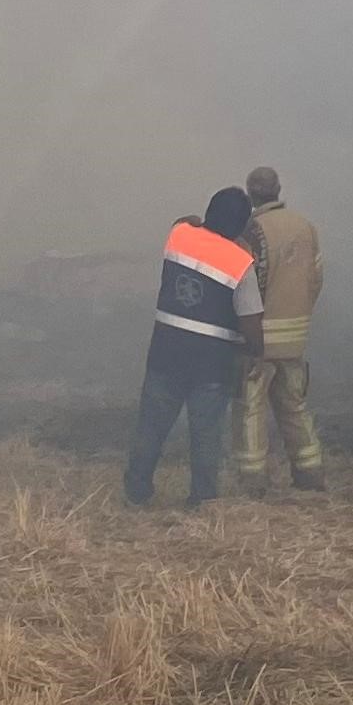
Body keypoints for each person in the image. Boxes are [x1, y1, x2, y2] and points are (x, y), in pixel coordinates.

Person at [123, 186, 263, 508]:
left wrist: (197, 222)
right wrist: (257, 352)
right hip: (211, 362)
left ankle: (136, 490)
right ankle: (202, 499)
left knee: (151, 425)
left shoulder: (180, 236)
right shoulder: (242, 264)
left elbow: (183, 220)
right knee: (206, 434)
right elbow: (251, 320)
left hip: (166, 351)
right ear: (242, 225)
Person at [235, 164, 324, 493]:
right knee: (295, 408)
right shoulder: (305, 227)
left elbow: (246, 287)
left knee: (250, 410)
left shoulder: (252, 231)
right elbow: (316, 280)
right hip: (295, 339)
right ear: (278, 189)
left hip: (259, 341)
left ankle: (253, 480)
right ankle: (310, 474)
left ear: (250, 193)